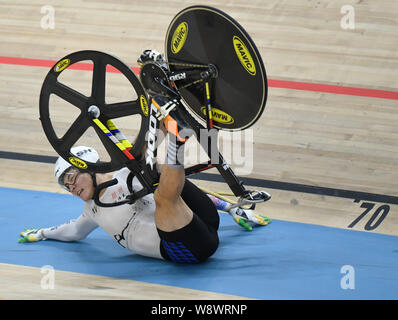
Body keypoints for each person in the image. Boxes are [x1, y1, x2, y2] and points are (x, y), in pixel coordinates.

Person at [19, 51, 270, 264]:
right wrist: (41, 233)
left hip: (200, 221)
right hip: (186, 250)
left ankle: (165, 100)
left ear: (89, 166)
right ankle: (176, 135)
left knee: (147, 162)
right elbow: (73, 231)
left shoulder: (125, 174)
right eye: (65, 185)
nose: (71, 187)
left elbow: (186, 189)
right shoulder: (91, 211)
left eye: (72, 177)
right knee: (161, 193)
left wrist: (232, 209)